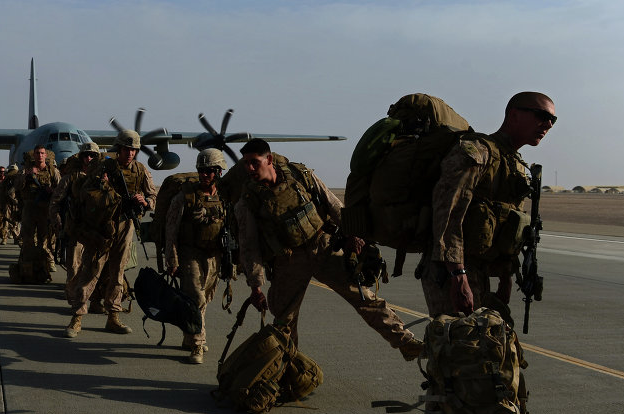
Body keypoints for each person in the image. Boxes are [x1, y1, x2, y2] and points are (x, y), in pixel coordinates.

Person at [419, 91, 556, 414]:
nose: (547, 125)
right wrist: (458, 274)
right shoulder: (475, 152)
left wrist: (505, 280)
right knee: (478, 370)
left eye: (553, 120)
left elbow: (503, 226)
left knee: (456, 364)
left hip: (480, 274)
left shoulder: (513, 164)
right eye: (541, 115)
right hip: (454, 271)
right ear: (513, 113)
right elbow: (447, 214)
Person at [234, 138, 423, 356]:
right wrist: (256, 286)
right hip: (289, 260)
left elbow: (333, 204)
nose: (249, 168)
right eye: (246, 163)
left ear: (268, 159)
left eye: (254, 162)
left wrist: (353, 234)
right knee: (285, 321)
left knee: (364, 298)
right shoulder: (247, 201)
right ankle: (289, 368)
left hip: (324, 246)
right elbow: (249, 246)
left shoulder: (300, 175)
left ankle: (406, 342)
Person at [65, 130, 156, 338]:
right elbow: (84, 193)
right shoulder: (103, 166)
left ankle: (113, 316)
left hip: (126, 225)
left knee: (118, 272)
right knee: (91, 270)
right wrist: (102, 183)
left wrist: (145, 202)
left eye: (133, 150)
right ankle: (77, 317)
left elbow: (153, 196)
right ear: (119, 148)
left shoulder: (140, 170)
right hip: (102, 226)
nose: (130, 153)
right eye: (126, 149)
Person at [164, 149, 229, 364]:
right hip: (190, 253)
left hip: (214, 256)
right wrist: (172, 259)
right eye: (201, 170)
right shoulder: (185, 196)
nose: (204, 175)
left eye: (209, 171)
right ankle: (197, 343)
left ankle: (189, 336)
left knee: (205, 297)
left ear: (218, 172)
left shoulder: (225, 196)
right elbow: (171, 229)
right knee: (196, 298)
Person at [50, 142, 101, 302]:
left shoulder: (103, 177)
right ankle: (74, 299)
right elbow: (55, 202)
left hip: (96, 229)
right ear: (81, 158)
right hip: (75, 227)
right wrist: (57, 221)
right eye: (86, 155)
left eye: (93, 155)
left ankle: (93, 298)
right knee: (74, 265)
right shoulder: (70, 178)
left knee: (96, 266)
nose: (89, 158)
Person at [13, 145, 61, 268]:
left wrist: (52, 191)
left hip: (45, 209)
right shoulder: (25, 170)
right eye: (37, 153)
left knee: (44, 239)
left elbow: (61, 189)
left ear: (45, 155)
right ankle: (27, 264)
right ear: (34, 155)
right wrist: (27, 176)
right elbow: (17, 186)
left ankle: (45, 263)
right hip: (29, 208)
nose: (40, 155)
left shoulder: (52, 171)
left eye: (42, 153)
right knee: (27, 238)